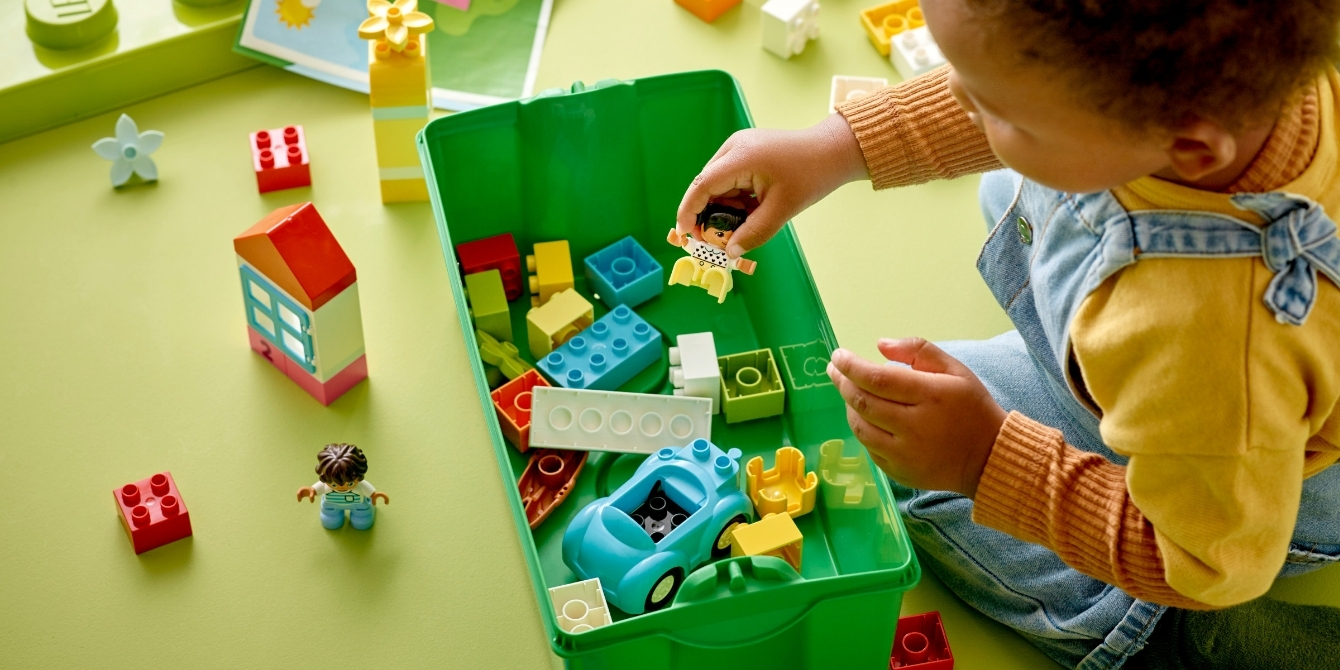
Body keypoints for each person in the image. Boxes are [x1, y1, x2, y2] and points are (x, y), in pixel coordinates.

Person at [675, 1, 1340, 668]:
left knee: (900, 466)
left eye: (998, 110)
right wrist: (837, 147)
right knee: (1014, 171)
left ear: (1190, 145)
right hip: (1197, 404)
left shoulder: (1208, 340)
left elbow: (1209, 559)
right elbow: (1010, 72)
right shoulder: (1216, 94)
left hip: (1231, 507)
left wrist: (981, 457)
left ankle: (1159, 636)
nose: (960, 99)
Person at [667, 195, 759, 302]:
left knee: (719, 276)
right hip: (695, 269)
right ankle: (681, 277)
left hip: (716, 276)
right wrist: (681, 240)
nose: (725, 240)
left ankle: (716, 289)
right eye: (720, 234)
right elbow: (689, 244)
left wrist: (741, 264)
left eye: (732, 236)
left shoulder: (729, 253)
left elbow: (733, 262)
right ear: (702, 227)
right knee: (687, 263)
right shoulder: (701, 245)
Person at [296, 443, 389, 531]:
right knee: (330, 519)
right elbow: (317, 488)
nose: (341, 488)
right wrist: (312, 490)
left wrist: (373, 495)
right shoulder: (326, 485)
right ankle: (332, 517)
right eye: (333, 485)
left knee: (362, 519)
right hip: (332, 505)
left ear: (358, 476)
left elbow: (367, 489)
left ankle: (361, 517)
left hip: (358, 505)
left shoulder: (360, 486)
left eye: (350, 484)